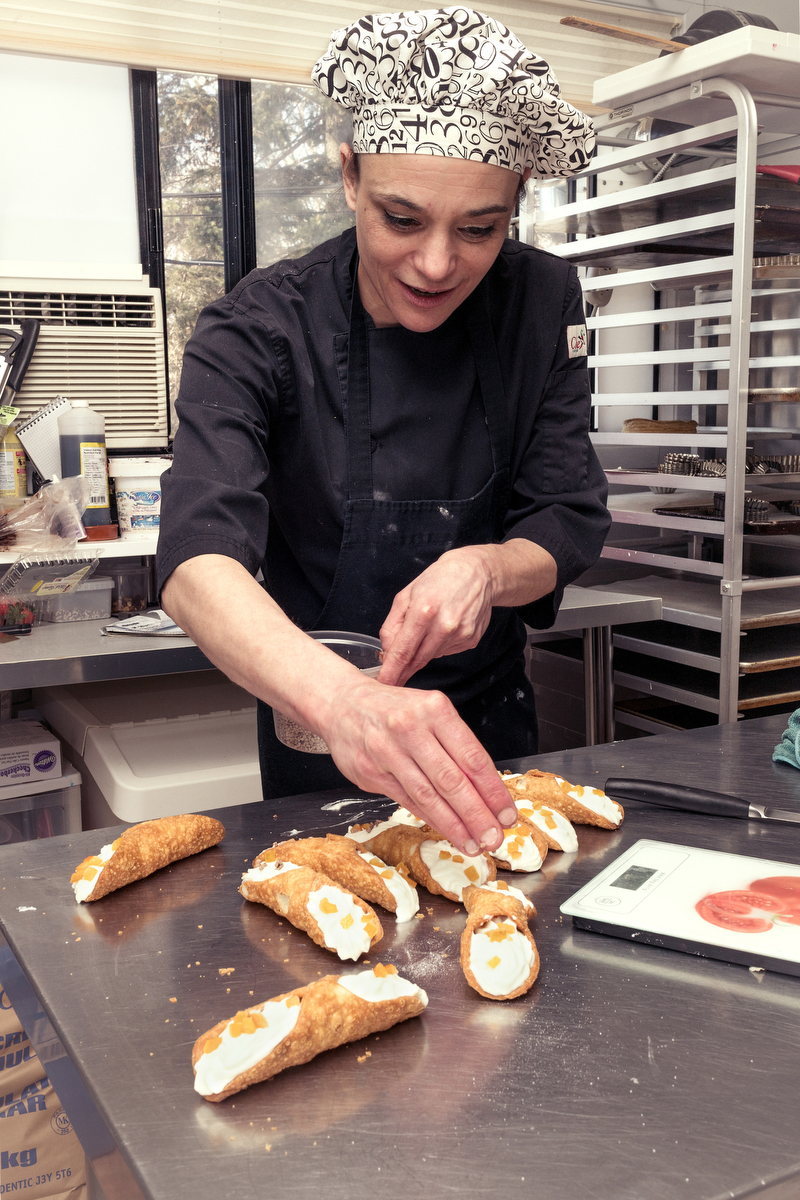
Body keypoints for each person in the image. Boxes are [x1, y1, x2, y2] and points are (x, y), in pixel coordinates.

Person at [157, 7, 611, 859]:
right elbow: (194, 556)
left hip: (488, 730)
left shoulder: (540, 303)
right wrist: (343, 703)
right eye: (402, 219)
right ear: (349, 179)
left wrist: (487, 566)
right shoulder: (257, 328)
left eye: (480, 228)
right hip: (322, 726)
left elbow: (567, 515)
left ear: (515, 206)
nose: (437, 265)